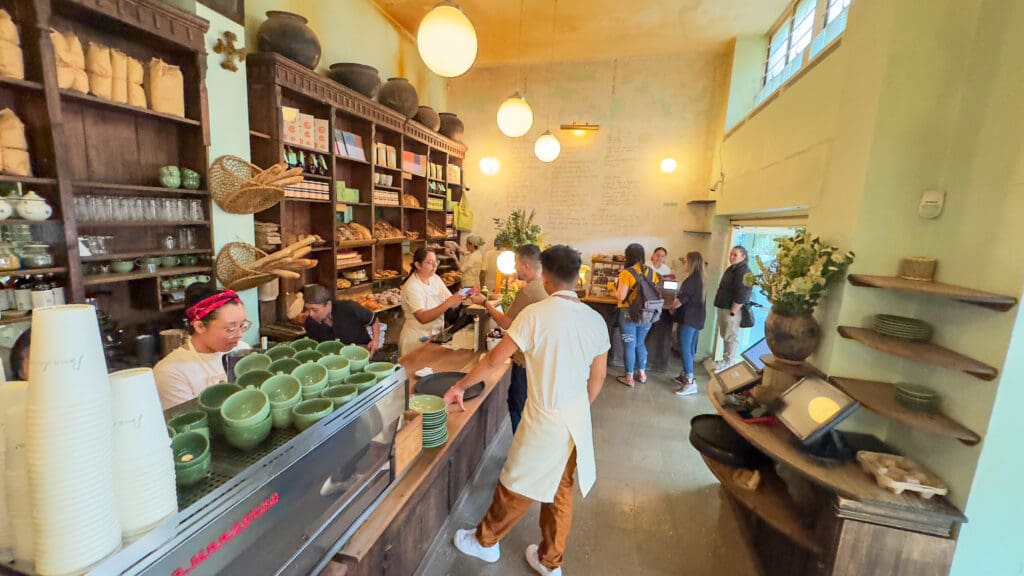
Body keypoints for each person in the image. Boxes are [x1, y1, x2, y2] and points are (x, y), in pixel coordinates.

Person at [444, 245, 609, 576]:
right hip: (576, 417)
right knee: (560, 489)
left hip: (544, 416)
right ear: (577, 277)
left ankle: (486, 542)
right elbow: (598, 375)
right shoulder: (595, 319)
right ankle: (551, 562)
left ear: (545, 278)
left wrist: (459, 386)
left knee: (515, 481)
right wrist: (578, 408)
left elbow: (493, 359)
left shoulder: (535, 316)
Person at [470, 244, 547, 434]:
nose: (515, 268)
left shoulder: (529, 291)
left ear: (525, 265)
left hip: (525, 362)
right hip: (539, 359)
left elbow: (505, 323)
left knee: (517, 406)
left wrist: (485, 303)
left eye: (516, 263)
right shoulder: (546, 285)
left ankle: (520, 453)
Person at [154, 284, 251, 409]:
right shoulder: (170, 371)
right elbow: (187, 423)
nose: (240, 334)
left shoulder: (241, 350)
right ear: (200, 326)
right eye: (230, 329)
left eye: (243, 325)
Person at [399, 247, 468, 355]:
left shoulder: (434, 278)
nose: (435, 265)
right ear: (417, 265)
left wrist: (463, 296)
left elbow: (451, 302)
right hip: (416, 339)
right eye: (430, 262)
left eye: (436, 261)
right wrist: (449, 302)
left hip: (435, 335)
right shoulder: (412, 286)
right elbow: (422, 317)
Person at [615, 243, 659, 388]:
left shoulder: (626, 273)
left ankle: (629, 377)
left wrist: (611, 289)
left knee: (629, 345)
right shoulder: (651, 272)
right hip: (647, 314)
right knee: (640, 344)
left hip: (628, 313)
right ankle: (642, 374)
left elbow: (621, 296)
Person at [301, 284, 380, 355]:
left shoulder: (349, 308)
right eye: (308, 309)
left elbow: (374, 320)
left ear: (328, 304)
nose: (310, 314)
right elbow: (318, 348)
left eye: (315, 310)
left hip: (364, 352)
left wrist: (375, 341)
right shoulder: (310, 322)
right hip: (337, 360)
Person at [669, 251, 706, 395]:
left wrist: (671, 307)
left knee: (684, 349)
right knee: (689, 349)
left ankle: (690, 381)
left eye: (685, 262)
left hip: (689, 320)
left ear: (691, 263)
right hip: (696, 319)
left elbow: (680, 301)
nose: (684, 264)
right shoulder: (700, 278)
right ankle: (685, 375)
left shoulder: (692, 280)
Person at [713, 245, 752, 370]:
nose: (732, 257)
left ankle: (730, 362)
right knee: (725, 334)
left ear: (743, 256)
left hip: (732, 310)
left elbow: (742, 293)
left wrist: (733, 312)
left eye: (735, 255)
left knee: (731, 335)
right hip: (724, 306)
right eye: (731, 254)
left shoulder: (744, 271)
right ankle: (725, 359)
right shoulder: (732, 269)